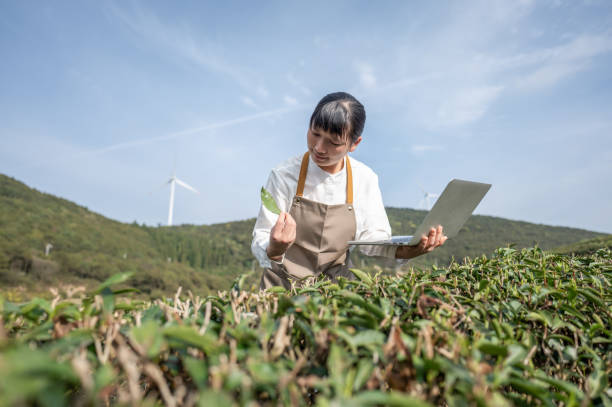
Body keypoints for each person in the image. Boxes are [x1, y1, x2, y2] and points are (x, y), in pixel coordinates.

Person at [251, 92, 446, 289]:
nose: (319, 147)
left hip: (336, 295)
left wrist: (409, 251)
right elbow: (262, 234)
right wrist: (274, 248)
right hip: (281, 291)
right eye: (315, 133)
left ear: (354, 144)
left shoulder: (365, 178)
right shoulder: (284, 175)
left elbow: (373, 240)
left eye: (333, 142)